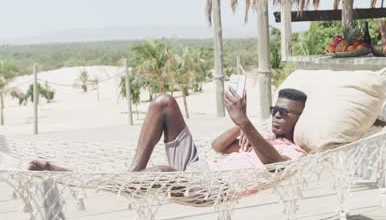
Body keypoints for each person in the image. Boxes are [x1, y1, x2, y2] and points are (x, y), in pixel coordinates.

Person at [28, 88, 307, 172]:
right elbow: (218, 147)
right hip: (199, 166)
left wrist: (245, 124)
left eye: (285, 112)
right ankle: (131, 177)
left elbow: (275, 166)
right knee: (164, 102)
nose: (277, 115)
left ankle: (59, 169)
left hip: (213, 187)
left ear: (300, 118)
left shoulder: (294, 151)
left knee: (159, 175)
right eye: (275, 109)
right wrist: (239, 125)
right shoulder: (263, 137)